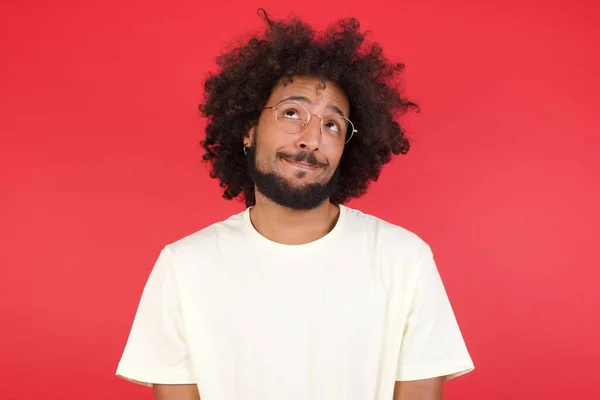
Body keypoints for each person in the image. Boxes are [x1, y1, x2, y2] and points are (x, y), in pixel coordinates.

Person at [116, 9, 475, 400]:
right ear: (249, 131)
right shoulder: (184, 266)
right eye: (291, 113)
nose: (310, 138)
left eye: (332, 125)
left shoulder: (404, 260)